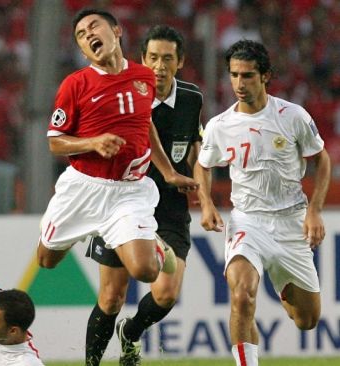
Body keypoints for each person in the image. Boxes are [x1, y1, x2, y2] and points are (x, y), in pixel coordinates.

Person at [37, 6, 198, 313]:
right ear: (83, 51)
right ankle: (84, 227)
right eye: (81, 35)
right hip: (83, 188)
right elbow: (55, 142)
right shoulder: (75, 84)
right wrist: (93, 142)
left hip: (128, 191)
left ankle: (157, 248)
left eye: (94, 27)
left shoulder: (143, 77)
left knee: (146, 271)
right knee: (46, 261)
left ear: (116, 31)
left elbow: (144, 123)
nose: (88, 36)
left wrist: (167, 171)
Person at [194, 39, 330, 366]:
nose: (239, 84)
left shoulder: (292, 116)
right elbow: (202, 165)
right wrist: (207, 204)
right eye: (234, 75)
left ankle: (282, 283)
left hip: (290, 221)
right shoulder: (220, 126)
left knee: (307, 320)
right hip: (247, 221)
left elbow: (321, 160)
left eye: (248, 76)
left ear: (265, 76)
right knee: (242, 297)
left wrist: (313, 210)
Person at [83, 25, 203, 366]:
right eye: (153, 58)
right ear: (142, 59)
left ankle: (131, 334)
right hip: (122, 203)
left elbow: (195, 148)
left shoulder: (192, 98)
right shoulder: (122, 97)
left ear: (180, 62)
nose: (159, 66)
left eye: (168, 58)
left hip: (169, 208)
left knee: (166, 294)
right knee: (111, 297)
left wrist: (203, 192)